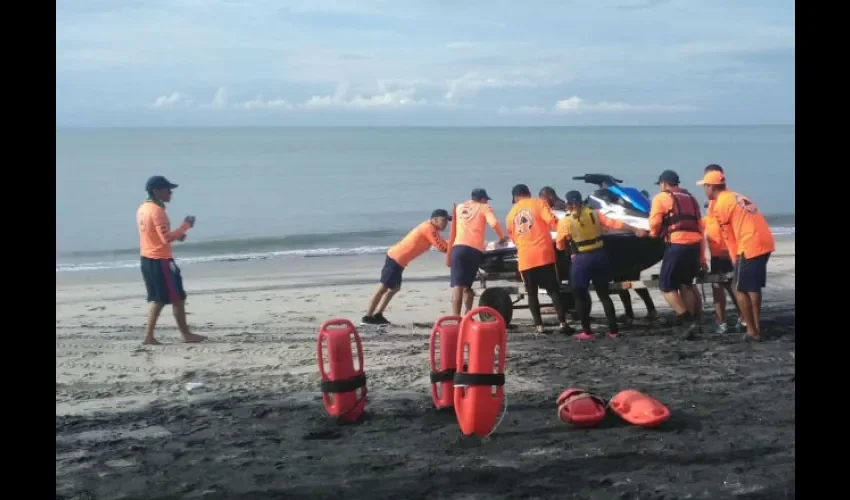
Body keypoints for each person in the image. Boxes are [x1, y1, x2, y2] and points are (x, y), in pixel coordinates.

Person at [556, 190, 647, 340]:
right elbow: (615, 224)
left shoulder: (565, 221)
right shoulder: (595, 213)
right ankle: (613, 331)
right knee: (604, 295)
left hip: (581, 260)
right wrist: (635, 229)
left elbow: (560, 246)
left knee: (580, 295)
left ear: (568, 204)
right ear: (582, 202)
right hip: (599, 256)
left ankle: (587, 332)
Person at [698, 169, 775, 341]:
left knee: (740, 288)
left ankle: (752, 331)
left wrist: (735, 258)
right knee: (753, 287)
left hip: (748, 245)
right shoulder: (737, 196)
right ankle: (755, 325)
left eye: (705, 186)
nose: (704, 190)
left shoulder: (720, 204)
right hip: (765, 242)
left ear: (711, 187)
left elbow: (728, 235)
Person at [137, 176, 204, 345]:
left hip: (147, 258)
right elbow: (165, 238)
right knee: (177, 298)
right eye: (167, 189)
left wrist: (178, 235)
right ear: (156, 191)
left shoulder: (143, 208)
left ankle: (149, 336)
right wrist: (185, 226)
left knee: (159, 299)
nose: (171, 192)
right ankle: (185, 334)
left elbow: (157, 236)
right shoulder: (157, 211)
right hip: (161, 260)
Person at [363, 209, 451, 325]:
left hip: (400, 261)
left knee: (394, 288)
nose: (445, 224)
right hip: (395, 258)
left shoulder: (431, 228)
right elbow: (442, 247)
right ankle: (367, 317)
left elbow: (442, 242)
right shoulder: (428, 228)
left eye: (447, 221)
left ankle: (378, 314)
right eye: (443, 220)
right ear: (434, 220)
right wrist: (457, 249)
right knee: (383, 288)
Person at [506, 184, 572, 334]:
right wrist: (566, 234)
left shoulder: (510, 215)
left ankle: (539, 326)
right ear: (528, 193)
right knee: (553, 291)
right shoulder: (538, 203)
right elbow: (553, 221)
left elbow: (513, 237)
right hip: (543, 255)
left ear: (516, 197)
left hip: (525, 258)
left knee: (531, 294)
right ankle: (562, 323)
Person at [649, 170, 706, 339]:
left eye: (660, 184)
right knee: (686, 284)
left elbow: (655, 223)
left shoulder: (661, 198)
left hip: (677, 244)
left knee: (666, 286)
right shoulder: (691, 198)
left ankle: (686, 319)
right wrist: (702, 257)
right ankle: (696, 320)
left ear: (664, 183)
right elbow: (699, 225)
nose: (660, 187)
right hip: (694, 245)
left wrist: (653, 234)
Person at [700, 165, 745, 333]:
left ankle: (723, 321)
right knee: (727, 284)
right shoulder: (719, 200)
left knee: (722, 285)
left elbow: (721, 225)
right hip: (720, 249)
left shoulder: (721, 201)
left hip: (723, 249)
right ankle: (740, 317)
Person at [451, 189, 509, 316]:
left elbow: (454, 226)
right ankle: (467, 315)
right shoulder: (484, 207)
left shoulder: (460, 207)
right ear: (482, 199)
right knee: (466, 286)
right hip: (473, 249)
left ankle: (456, 318)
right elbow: (493, 223)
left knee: (457, 286)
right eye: (486, 199)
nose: (487, 201)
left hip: (458, 248)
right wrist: (502, 237)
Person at [615, 189, 658, 325]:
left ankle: (630, 313)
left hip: (625, 254)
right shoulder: (631, 210)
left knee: (622, 282)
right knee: (632, 281)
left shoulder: (622, 212)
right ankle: (650, 310)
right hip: (631, 252)